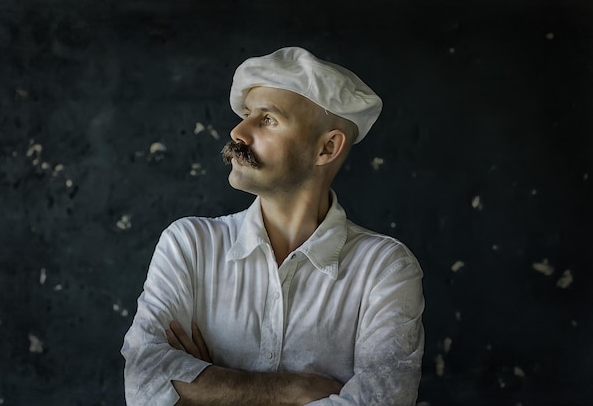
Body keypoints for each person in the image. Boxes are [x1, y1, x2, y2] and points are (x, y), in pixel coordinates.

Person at [121, 46, 425, 406]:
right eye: (247, 114)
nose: (238, 131)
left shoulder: (384, 268)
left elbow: (383, 402)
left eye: (267, 119)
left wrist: (208, 391)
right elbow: (143, 381)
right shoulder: (190, 244)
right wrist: (294, 391)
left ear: (327, 147)